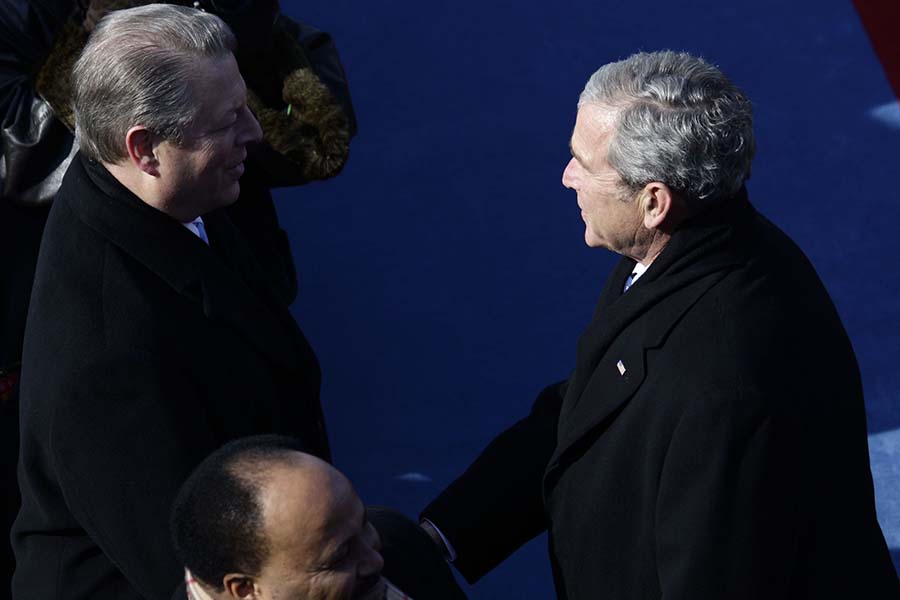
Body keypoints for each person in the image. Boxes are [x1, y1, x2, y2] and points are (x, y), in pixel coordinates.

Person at [420, 51, 900, 599]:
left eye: (583, 162)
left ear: (653, 201)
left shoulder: (725, 385)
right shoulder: (687, 249)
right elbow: (589, 408)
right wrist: (440, 535)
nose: (566, 176)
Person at [1, 0, 355, 586]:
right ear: (143, 149)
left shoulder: (173, 195)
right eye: (227, 122)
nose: (256, 132)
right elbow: (186, 572)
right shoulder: (107, 357)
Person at [171, 435, 466, 600]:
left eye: (364, 525)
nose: (375, 561)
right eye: (339, 557)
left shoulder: (400, 544)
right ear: (246, 590)